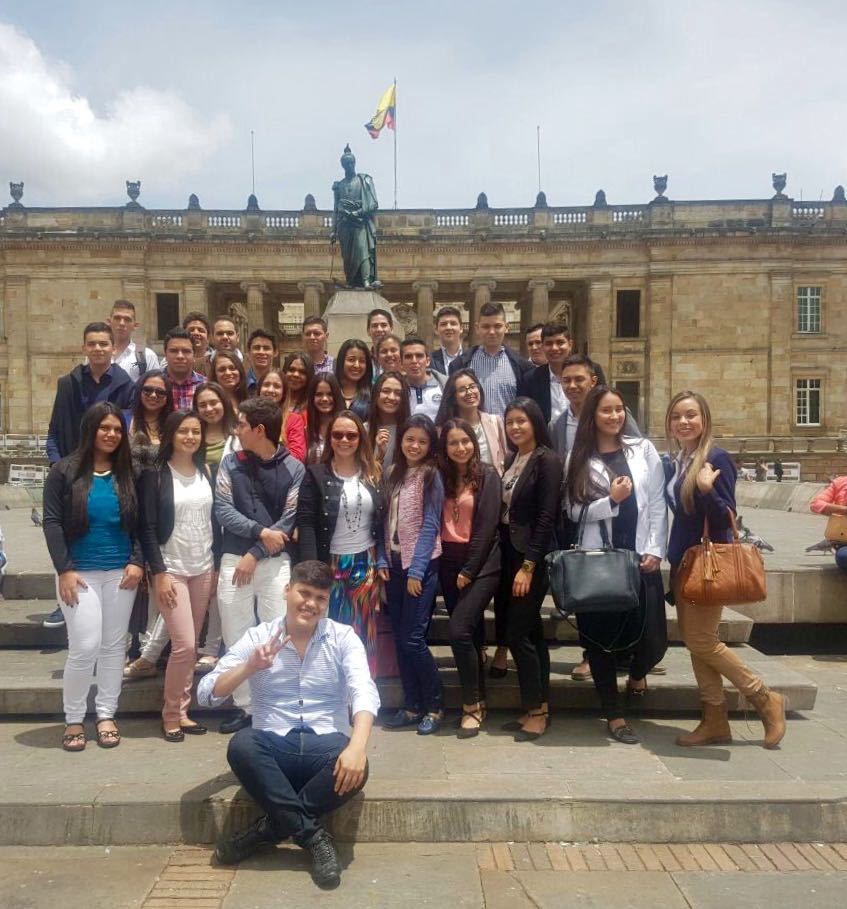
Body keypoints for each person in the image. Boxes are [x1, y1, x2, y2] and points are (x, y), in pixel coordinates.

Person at [197, 560, 379, 889]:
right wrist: (249, 667)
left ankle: (269, 830)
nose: (310, 604)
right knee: (242, 745)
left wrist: (358, 745)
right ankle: (312, 836)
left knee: (358, 766)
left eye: (320, 598)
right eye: (304, 593)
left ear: (327, 602)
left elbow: (363, 689)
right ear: (287, 590)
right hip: (273, 749)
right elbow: (206, 693)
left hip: (324, 751)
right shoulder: (259, 638)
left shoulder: (343, 638)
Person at [666, 391, 786, 749]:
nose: (683, 422)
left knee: (703, 640)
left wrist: (706, 490)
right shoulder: (682, 459)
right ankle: (714, 720)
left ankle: (764, 697)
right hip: (685, 563)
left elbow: (724, 516)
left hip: (707, 565)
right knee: (695, 643)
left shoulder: (715, 457)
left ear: (705, 419)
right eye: (676, 417)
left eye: (691, 415)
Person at [563, 385, 667, 745]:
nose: (615, 416)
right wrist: (611, 500)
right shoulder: (577, 458)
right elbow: (574, 513)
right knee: (601, 644)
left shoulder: (642, 450)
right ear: (592, 416)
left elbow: (655, 503)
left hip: (640, 558)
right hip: (599, 562)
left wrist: (655, 549)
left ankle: (638, 673)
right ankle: (614, 713)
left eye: (619, 409)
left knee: (654, 641)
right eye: (606, 410)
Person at [42, 402, 144, 751]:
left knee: (115, 647)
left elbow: (142, 524)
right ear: (90, 429)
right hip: (79, 574)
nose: (112, 434)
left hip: (120, 573)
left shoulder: (129, 472)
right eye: (105, 428)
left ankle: (105, 713)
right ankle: (73, 718)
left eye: (117, 429)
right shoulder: (64, 471)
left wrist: (138, 561)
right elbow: (52, 522)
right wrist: (65, 569)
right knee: (85, 646)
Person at [215, 397, 305, 734]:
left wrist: (256, 551)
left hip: (272, 562)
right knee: (236, 635)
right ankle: (246, 707)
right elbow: (222, 509)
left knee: (277, 633)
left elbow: (291, 517)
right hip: (233, 559)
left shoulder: (294, 468)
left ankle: (275, 705)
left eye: (240, 424)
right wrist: (258, 533)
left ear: (259, 429)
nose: (235, 430)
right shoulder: (229, 464)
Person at [139, 410, 218, 741]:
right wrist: (158, 573)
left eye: (196, 432)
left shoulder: (205, 470)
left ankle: (182, 711)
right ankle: (171, 713)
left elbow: (214, 521)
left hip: (203, 565)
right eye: (184, 430)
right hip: (171, 568)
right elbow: (146, 527)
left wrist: (214, 569)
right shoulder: (155, 475)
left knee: (192, 644)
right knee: (184, 644)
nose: (190, 437)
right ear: (171, 434)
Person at [297, 411, 385, 677]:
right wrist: (310, 570)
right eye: (337, 434)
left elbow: (382, 522)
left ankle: (360, 691)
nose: (344, 440)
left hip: (364, 561)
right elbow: (306, 522)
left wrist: (381, 560)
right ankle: (329, 688)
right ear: (329, 439)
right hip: (329, 563)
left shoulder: (374, 474)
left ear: (361, 438)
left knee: (362, 629)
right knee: (327, 629)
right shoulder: (315, 474)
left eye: (351, 435)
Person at [496, 398, 560, 741]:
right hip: (509, 550)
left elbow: (546, 517)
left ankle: (537, 711)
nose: (515, 427)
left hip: (530, 558)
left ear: (535, 421)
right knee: (531, 633)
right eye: (510, 422)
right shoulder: (513, 458)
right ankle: (539, 706)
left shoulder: (547, 460)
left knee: (519, 634)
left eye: (521, 420)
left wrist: (529, 566)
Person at [378, 415, 445, 735]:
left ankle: (434, 705)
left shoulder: (431, 476)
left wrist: (417, 570)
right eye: (409, 439)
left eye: (421, 441)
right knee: (400, 639)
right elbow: (382, 522)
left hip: (420, 566)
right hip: (392, 564)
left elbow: (431, 525)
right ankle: (411, 704)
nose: (414, 446)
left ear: (430, 445)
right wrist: (381, 560)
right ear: (400, 441)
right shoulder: (393, 473)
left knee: (413, 639)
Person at [437, 419, 501, 738]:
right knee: (471, 633)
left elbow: (487, 527)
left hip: (481, 562)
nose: (460, 447)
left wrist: (469, 570)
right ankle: (481, 698)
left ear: (474, 443)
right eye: (453, 442)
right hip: (448, 561)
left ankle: (471, 705)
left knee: (458, 630)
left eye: (465, 441)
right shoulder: (442, 476)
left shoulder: (487, 475)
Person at [47, 322, 135, 465]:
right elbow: (55, 430)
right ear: (84, 349)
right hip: (72, 469)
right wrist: (56, 464)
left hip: (111, 470)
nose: (97, 348)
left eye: (103, 344)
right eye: (92, 344)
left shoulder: (127, 387)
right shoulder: (68, 385)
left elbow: (126, 434)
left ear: (113, 349)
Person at [449, 302, 533, 417]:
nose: (492, 332)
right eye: (486, 327)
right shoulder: (460, 365)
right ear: (477, 328)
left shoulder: (523, 367)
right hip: (474, 433)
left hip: (508, 432)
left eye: (497, 326)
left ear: (506, 327)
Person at [435, 368, 507, 474]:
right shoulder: (443, 430)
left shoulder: (495, 422)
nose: (469, 392)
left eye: (473, 387)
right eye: (462, 389)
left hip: (493, 486)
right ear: (453, 397)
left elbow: (505, 457)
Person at [331, 145, 380, 289]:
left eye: (351, 163)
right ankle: (351, 281)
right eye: (347, 164)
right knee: (348, 257)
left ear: (355, 163)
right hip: (344, 225)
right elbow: (336, 209)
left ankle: (366, 281)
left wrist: (357, 213)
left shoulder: (364, 180)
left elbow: (373, 204)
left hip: (360, 223)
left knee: (362, 250)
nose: (350, 165)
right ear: (343, 166)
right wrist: (333, 230)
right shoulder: (339, 186)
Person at [518, 321, 573, 423]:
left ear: (570, 345)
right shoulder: (530, 380)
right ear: (543, 347)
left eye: (560, 342)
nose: (554, 348)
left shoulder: (590, 371)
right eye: (549, 343)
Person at [259, 369, 306, 462]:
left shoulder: (294, 420)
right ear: (259, 389)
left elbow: (298, 456)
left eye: (277, 386)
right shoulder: (248, 417)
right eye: (266, 385)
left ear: (284, 393)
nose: (270, 390)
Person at [367, 371, 410, 471]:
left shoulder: (410, 432)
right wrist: (380, 456)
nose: (391, 397)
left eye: (398, 393)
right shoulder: (363, 430)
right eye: (386, 391)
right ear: (376, 394)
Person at [108, 300, 159, 382]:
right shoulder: (97, 353)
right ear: (109, 322)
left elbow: (154, 387)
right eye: (117, 318)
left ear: (135, 325)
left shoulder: (147, 356)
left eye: (127, 319)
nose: (122, 323)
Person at [401, 337, 447, 420]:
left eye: (419, 356)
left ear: (428, 361)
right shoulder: (397, 390)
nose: (414, 361)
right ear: (401, 363)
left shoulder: (445, 385)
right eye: (408, 356)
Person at [126, 369, 173, 447]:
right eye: (148, 390)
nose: (153, 395)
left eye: (160, 392)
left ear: (167, 397)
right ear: (139, 391)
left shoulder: (174, 425)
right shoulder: (123, 420)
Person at [305, 373, 345, 465]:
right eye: (319, 394)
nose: (324, 399)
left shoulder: (347, 424)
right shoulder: (305, 426)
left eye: (330, 394)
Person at [811, 476, 847, 571]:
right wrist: (843, 510)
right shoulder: (840, 483)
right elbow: (816, 504)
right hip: (844, 542)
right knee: (844, 557)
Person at [163, 328, 205, 410]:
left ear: (194, 355)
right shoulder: (153, 387)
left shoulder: (206, 385)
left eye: (186, 351)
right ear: (165, 354)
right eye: (174, 351)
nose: (180, 356)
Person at [334, 339, 373, 420]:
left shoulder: (373, 393)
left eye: (362, 361)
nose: (357, 365)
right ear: (341, 361)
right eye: (351, 360)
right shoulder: (330, 390)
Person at [430, 306, 464, 375]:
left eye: (453, 323)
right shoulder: (429, 360)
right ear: (436, 330)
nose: (448, 327)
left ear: (461, 328)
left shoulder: (473, 358)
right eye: (443, 324)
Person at [281, 351, 315, 416]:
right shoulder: (277, 399)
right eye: (291, 370)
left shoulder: (313, 405)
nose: (296, 375)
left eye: (302, 372)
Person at [246, 329, 278, 394]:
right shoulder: (239, 384)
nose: (261, 352)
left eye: (266, 348)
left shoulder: (283, 384)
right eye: (257, 348)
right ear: (248, 352)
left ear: (275, 352)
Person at [183, 312, 213, 377]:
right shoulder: (172, 361)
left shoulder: (215, 361)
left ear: (208, 337)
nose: (196, 333)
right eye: (191, 330)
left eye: (201, 330)